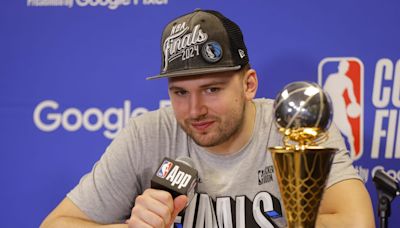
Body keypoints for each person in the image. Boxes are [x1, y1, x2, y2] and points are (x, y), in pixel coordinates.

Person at [41, 9, 374, 228]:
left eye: (212, 89)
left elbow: (358, 221)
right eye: (180, 93)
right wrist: (130, 227)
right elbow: (56, 224)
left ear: (248, 84)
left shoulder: (295, 126)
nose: (194, 110)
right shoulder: (149, 133)